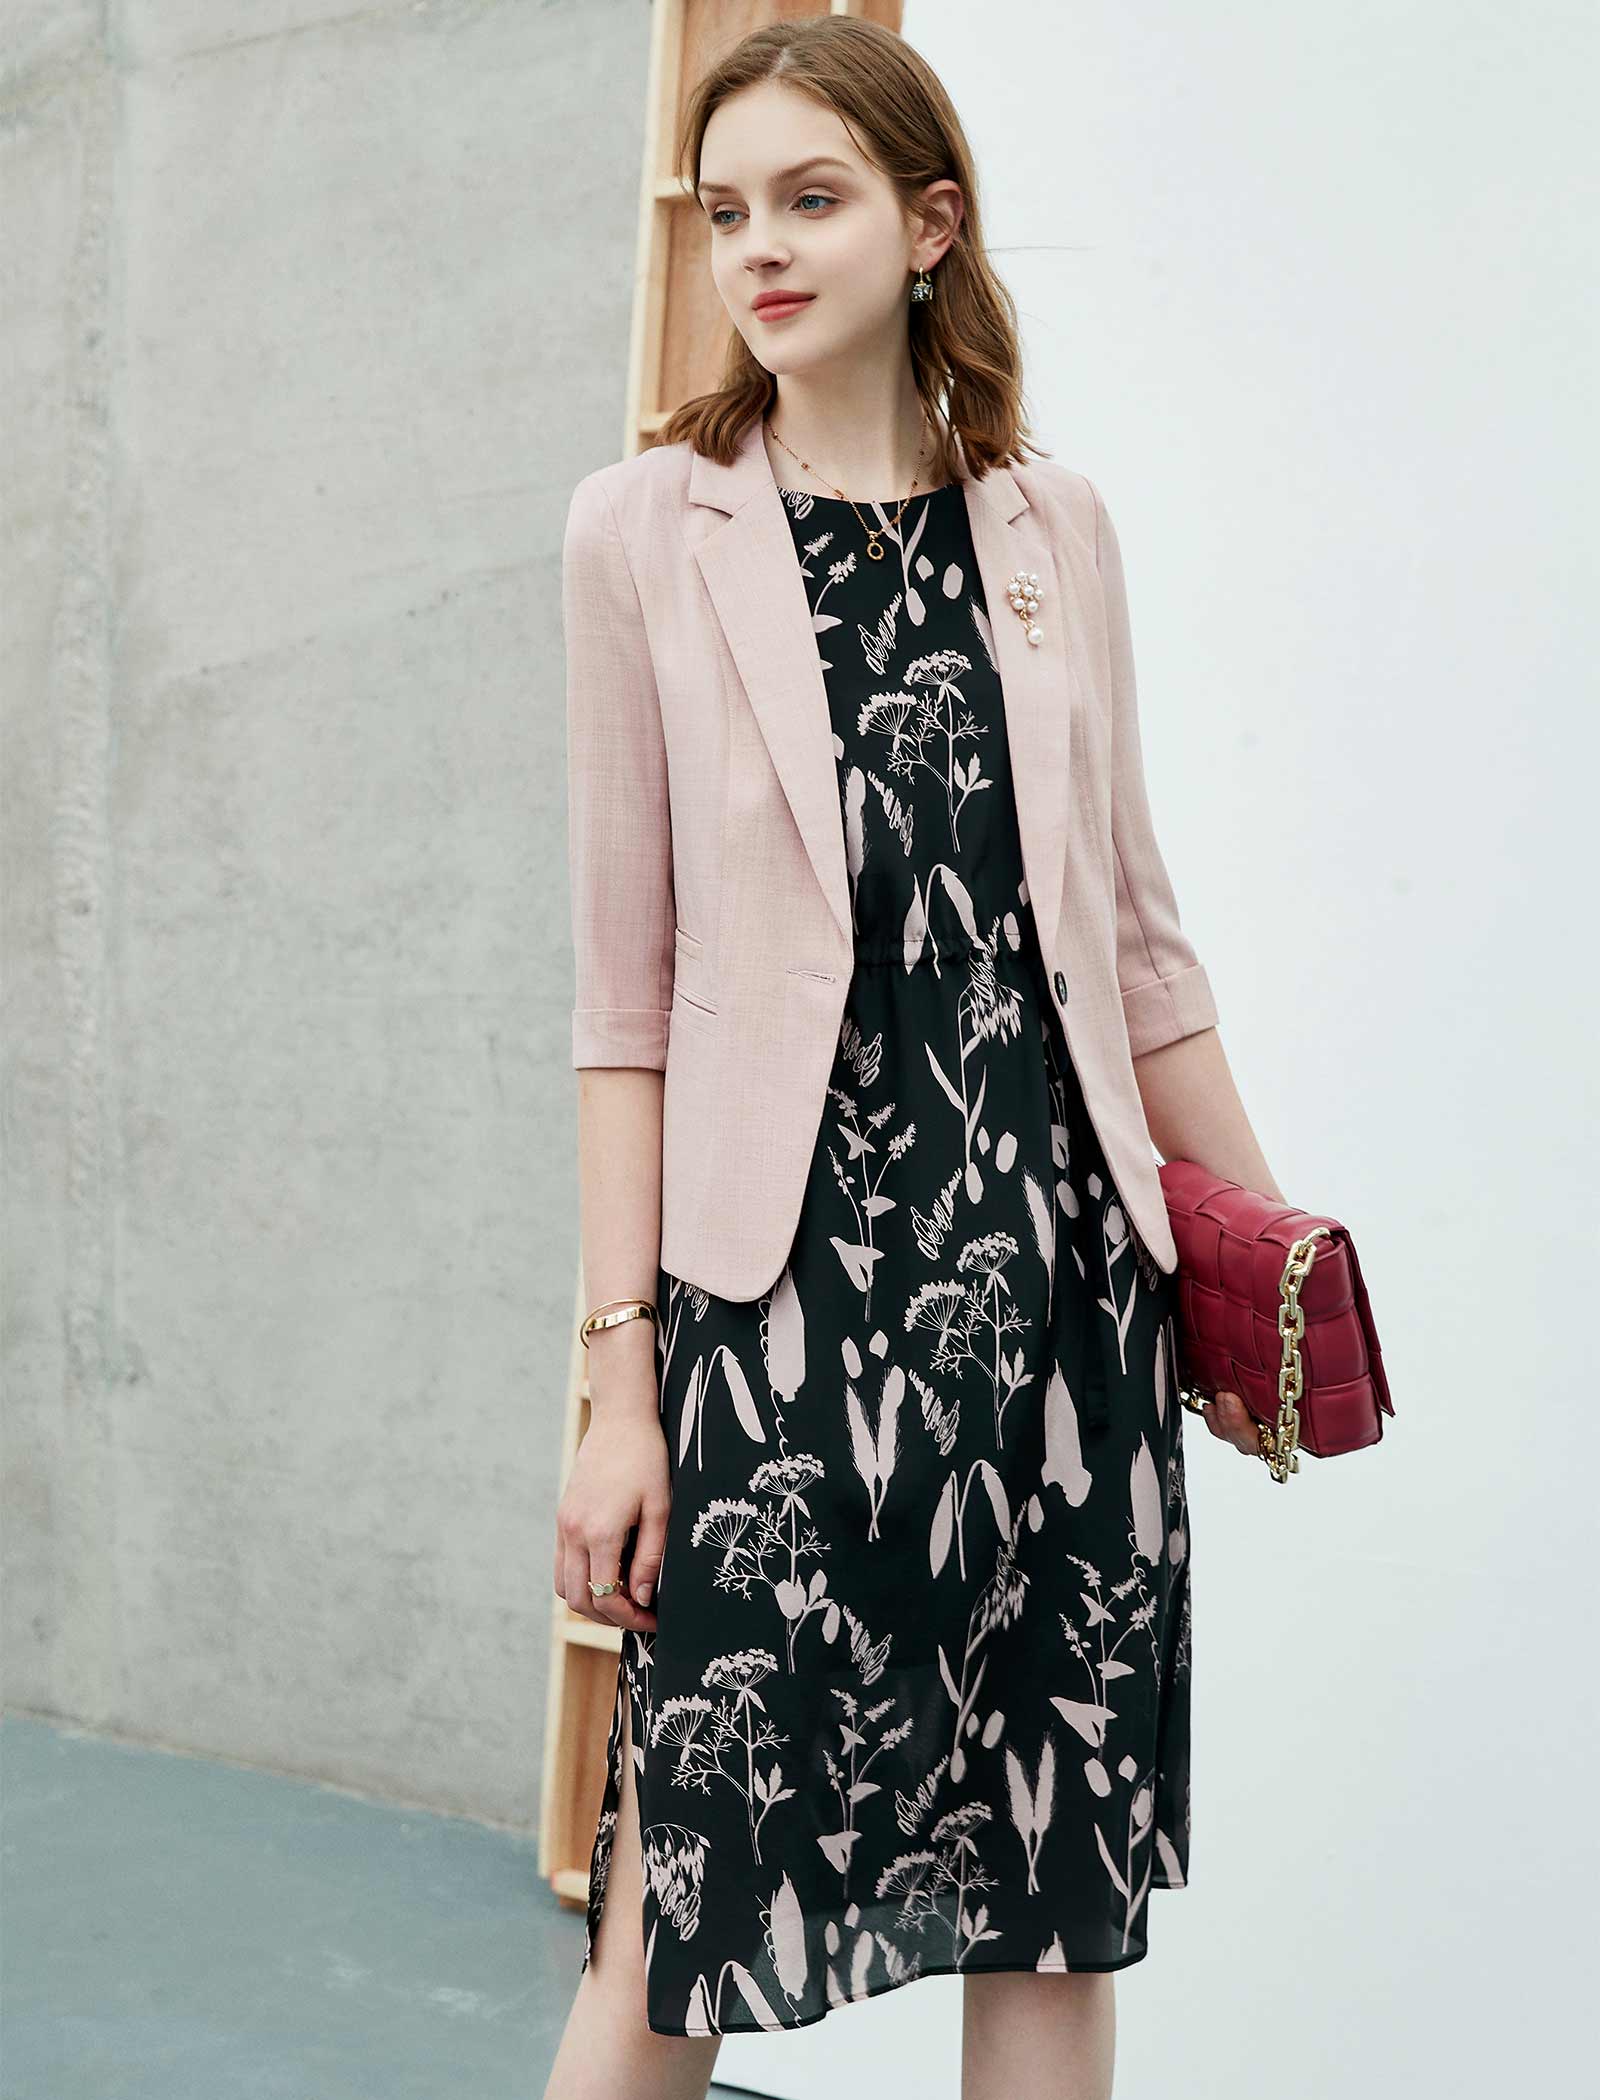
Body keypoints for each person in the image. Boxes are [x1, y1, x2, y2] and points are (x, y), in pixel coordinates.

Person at [542, 19, 1281, 2100]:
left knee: (1052, 1890)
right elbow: (621, 1004)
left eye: (812, 199)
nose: (757, 251)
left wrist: (1261, 1257)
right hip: (784, 1328)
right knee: (675, 1917)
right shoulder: (641, 532)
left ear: (929, 224)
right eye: (727, 214)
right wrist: (619, 1393)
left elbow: (1136, 945)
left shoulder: (1055, 530)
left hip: (1063, 1310)